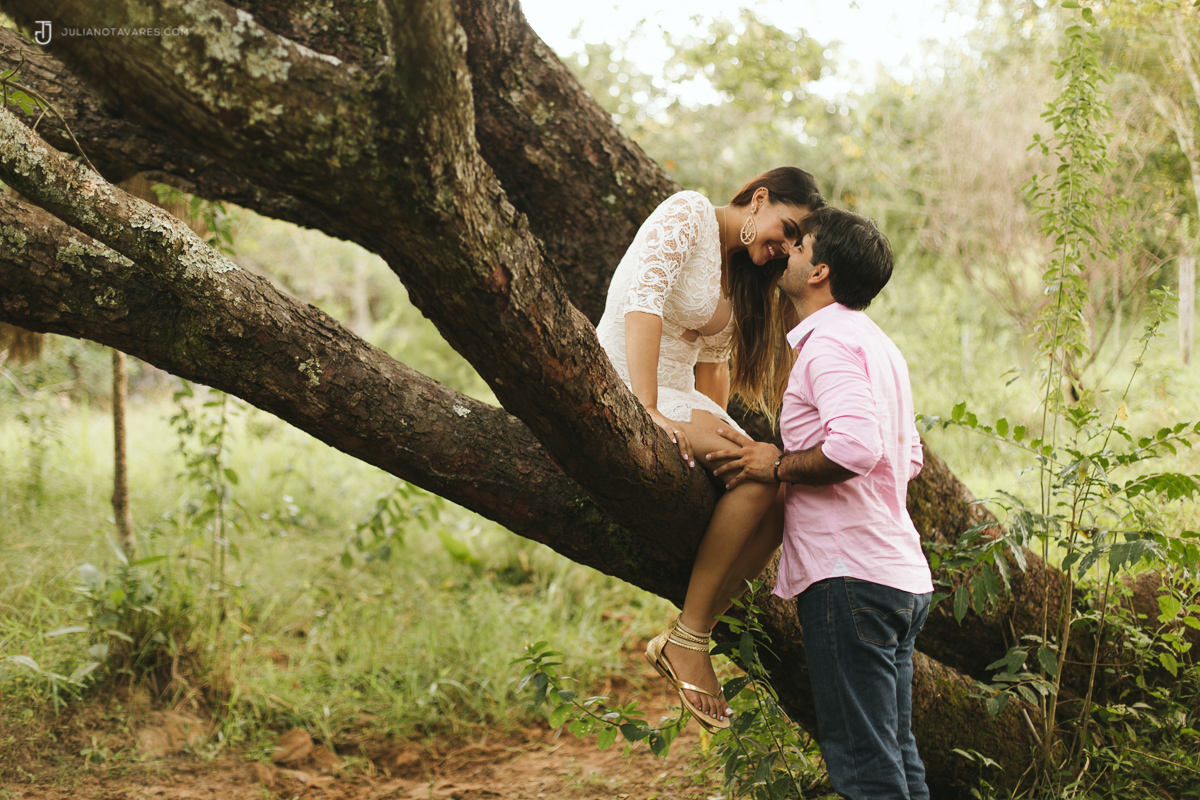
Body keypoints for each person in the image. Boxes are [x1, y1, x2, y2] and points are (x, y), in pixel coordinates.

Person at [707, 206, 933, 799]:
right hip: (898, 577)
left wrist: (776, 463)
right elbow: (905, 459)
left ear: (819, 271)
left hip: (849, 579)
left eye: (799, 244)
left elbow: (857, 448)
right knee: (896, 754)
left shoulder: (828, 344)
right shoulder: (878, 347)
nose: (787, 249)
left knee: (864, 766)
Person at [595, 167, 825, 730]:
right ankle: (690, 639)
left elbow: (713, 368)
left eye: (794, 245)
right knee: (759, 471)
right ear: (760, 198)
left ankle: (690, 633)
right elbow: (643, 303)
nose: (781, 249)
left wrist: (714, 435)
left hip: (676, 392)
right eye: (784, 228)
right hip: (628, 373)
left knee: (778, 485)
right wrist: (647, 409)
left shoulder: (746, 273)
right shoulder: (689, 212)